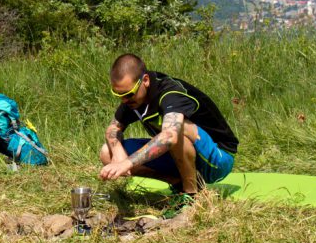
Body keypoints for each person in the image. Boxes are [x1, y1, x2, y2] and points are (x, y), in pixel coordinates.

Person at [98, 53, 237, 208]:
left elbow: (170, 137)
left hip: (219, 158)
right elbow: (113, 127)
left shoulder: (170, 93)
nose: (124, 100)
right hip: (186, 155)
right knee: (107, 152)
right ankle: (178, 184)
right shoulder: (134, 98)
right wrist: (117, 152)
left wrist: (127, 163)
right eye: (118, 95)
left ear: (145, 81)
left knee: (175, 130)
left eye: (128, 94)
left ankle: (191, 197)